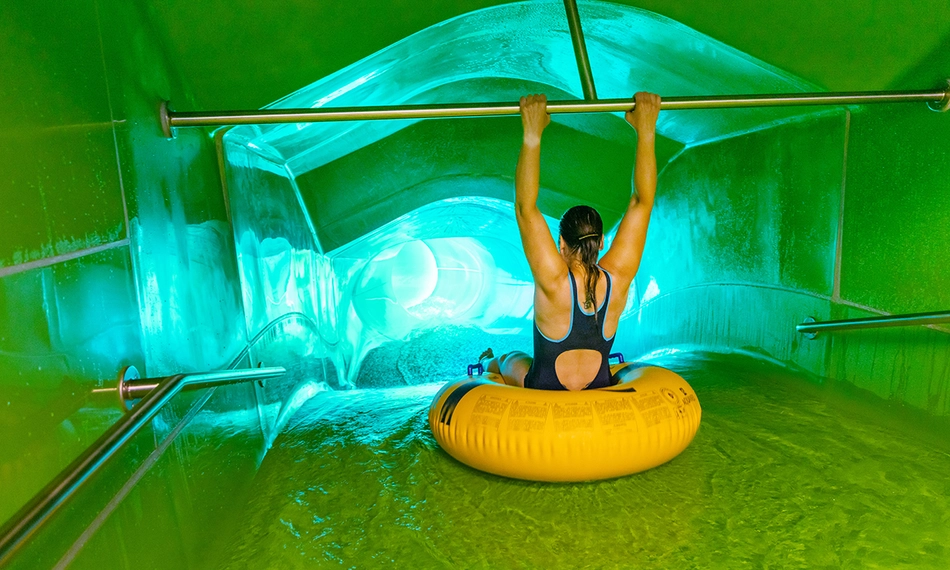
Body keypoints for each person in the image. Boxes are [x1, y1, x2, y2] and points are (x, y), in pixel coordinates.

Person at [480, 91, 661, 390]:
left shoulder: (552, 279)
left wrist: (533, 132)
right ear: (601, 242)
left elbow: (526, 208)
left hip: (543, 385)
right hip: (598, 383)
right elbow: (642, 202)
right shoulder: (618, 277)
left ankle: (488, 360)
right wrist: (646, 129)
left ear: (561, 243)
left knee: (509, 358)